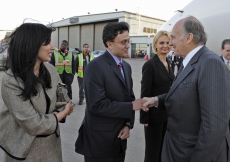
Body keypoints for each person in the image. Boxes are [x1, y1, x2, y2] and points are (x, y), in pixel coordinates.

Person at [143, 16, 230, 162]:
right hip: (178, 150)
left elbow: (214, 127)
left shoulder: (210, 64)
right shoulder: (189, 62)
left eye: (173, 38)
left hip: (191, 153)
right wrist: (157, 99)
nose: (170, 43)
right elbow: (185, 94)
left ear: (189, 38)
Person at [75, 21, 148, 162]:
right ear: (110, 44)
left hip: (119, 139)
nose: (128, 45)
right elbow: (97, 105)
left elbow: (129, 97)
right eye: (124, 42)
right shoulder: (95, 66)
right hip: (99, 141)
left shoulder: (126, 67)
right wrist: (131, 106)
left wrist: (127, 125)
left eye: (129, 41)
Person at [0, 23, 74, 161]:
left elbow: (63, 97)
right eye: (47, 42)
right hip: (24, 151)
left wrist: (59, 111)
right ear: (31, 45)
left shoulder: (51, 70)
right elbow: (33, 124)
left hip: (52, 147)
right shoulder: (11, 80)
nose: (53, 47)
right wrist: (62, 114)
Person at [140, 30, 175, 162]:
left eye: (167, 42)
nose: (165, 45)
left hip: (167, 114)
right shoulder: (150, 65)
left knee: (163, 150)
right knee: (152, 153)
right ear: (155, 45)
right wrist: (145, 118)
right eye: (161, 43)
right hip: (153, 116)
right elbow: (145, 93)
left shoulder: (169, 63)